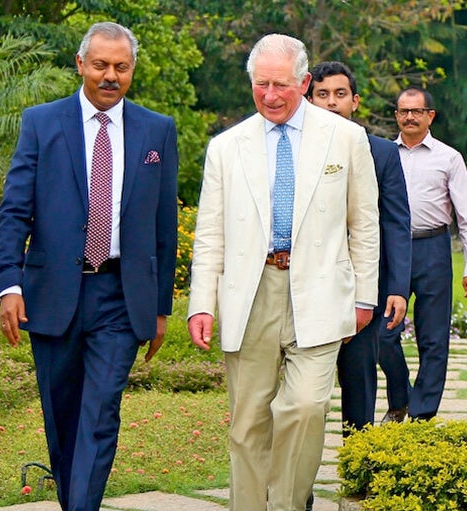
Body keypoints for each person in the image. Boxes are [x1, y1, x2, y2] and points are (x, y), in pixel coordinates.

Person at [187, 34, 379, 511]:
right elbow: (210, 233)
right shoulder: (226, 147)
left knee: (308, 407)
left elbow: (365, 223)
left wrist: (365, 296)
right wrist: (201, 304)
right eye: (261, 84)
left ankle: (288, 505)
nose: (270, 95)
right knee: (248, 420)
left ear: (305, 82)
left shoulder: (346, 138)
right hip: (249, 295)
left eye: (281, 85)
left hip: (319, 292)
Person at [0, 22, 178, 511]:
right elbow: (15, 209)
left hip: (120, 296)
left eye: (121, 67)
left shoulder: (157, 129)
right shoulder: (42, 122)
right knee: (62, 415)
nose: (110, 76)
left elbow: (165, 224)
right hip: (52, 294)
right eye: (100, 65)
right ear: (81, 64)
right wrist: (8, 284)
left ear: (132, 69)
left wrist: (161, 308)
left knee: (99, 413)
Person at [307, 61, 412, 433]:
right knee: (305, 390)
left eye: (340, 94)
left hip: (364, 284)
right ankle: (297, 476)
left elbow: (396, 223)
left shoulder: (382, 152)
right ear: (308, 99)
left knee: (359, 376)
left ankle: (358, 458)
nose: (332, 103)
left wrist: (398, 287)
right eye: (322, 95)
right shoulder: (296, 149)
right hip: (308, 282)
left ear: (355, 101)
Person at [378, 85, 467, 422]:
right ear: (397, 115)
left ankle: (421, 414)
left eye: (416, 111)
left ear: (430, 115)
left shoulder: (449, 158)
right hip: (390, 251)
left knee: (433, 339)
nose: (409, 117)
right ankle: (400, 399)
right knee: (383, 334)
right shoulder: (385, 154)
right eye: (403, 111)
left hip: (433, 249)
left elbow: (465, 217)